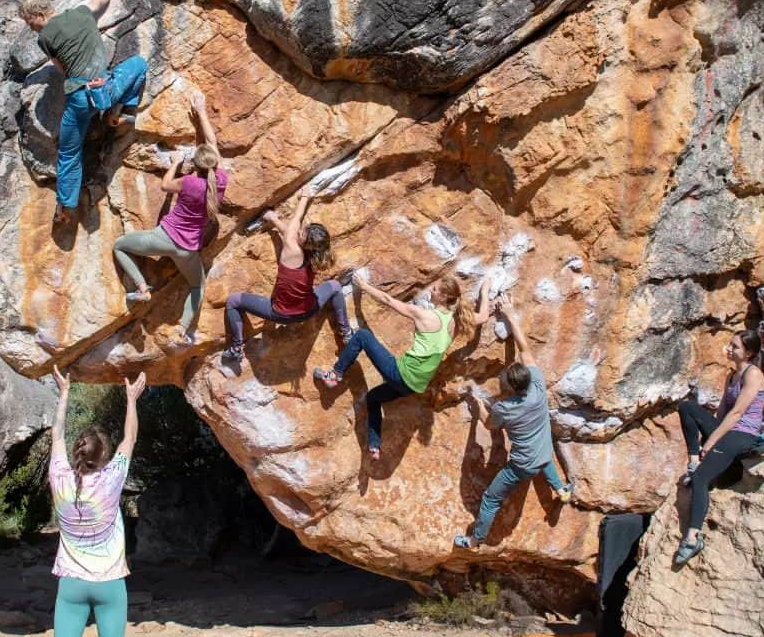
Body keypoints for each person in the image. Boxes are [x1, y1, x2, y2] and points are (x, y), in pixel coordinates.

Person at [31, 366, 145, 637]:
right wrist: (131, 399)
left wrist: (64, 393)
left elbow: (56, 436)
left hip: (71, 584)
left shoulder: (59, 478)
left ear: (79, 454)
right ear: (103, 455)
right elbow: (130, 438)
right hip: (110, 583)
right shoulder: (113, 479)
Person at [314, 274, 490, 462]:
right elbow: (484, 316)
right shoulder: (457, 322)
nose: (431, 289)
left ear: (445, 297)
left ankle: (335, 375)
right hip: (414, 387)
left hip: (400, 375)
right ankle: (374, 446)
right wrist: (485, 290)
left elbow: (388, 300)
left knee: (362, 336)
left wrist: (364, 286)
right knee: (374, 398)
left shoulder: (425, 315)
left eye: (436, 289)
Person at [19, 0, 148, 226]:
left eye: (30, 23)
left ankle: (66, 207)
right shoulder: (80, 13)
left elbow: (61, 70)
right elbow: (100, 2)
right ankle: (116, 113)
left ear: (38, 15)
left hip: (80, 98)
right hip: (107, 90)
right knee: (139, 65)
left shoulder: (45, 37)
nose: (31, 28)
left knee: (69, 152)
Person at [453, 299, 573, 550]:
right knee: (544, 458)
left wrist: (477, 402)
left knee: (490, 499)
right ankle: (561, 490)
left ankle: (475, 540)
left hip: (523, 466)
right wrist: (509, 314)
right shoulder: (538, 387)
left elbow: (488, 424)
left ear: (509, 387)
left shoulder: (505, 409)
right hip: (543, 452)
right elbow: (524, 348)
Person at [112, 89, 225, 345]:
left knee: (119, 246)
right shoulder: (220, 181)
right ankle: (183, 330)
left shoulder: (187, 183)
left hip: (163, 239)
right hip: (187, 250)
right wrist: (202, 112)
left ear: (195, 165)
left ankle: (141, 288)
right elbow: (212, 143)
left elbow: (165, 186)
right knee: (198, 286)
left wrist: (174, 162)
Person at [221, 185, 351, 366]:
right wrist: (278, 219)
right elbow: (289, 231)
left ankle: (237, 347)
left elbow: (294, 222)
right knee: (336, 287)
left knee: (233, 300)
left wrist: (294, 203)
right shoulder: (315, 253)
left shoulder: (292, 245)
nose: (298, 230)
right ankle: (346, 332)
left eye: (301, 233)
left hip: (279, 313)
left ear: (304, 242)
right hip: (308, 310)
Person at [674, 329, 764, 566]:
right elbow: (723, 412)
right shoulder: (732, 375)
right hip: (728, 428)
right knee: (687, 407)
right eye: (731, 344)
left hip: (743, 434)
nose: (729, 349)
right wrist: (707, 439)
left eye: (735, 346)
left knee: (700, 481)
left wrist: (712, 440)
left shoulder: (753, 374)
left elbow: (737, 414)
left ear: (749, 352)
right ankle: (694, 460)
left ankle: (693, 538)